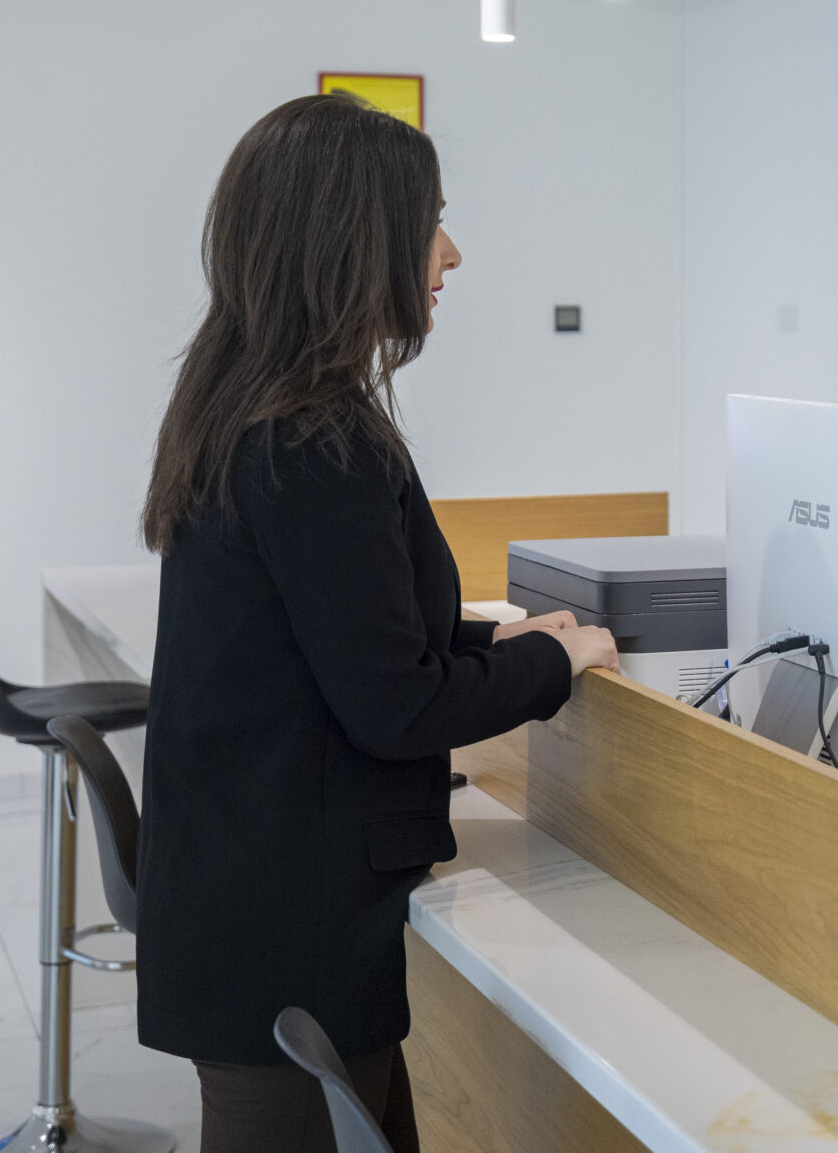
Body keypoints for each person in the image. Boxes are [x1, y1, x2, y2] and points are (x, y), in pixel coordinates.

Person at [135, 94, 619, 1152]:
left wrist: (496, 640)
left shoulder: (256, 412)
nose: (451, 253)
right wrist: (559, 662)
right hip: (281, 925)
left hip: (251, 898)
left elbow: (337, 637)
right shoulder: (316, 444)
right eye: (431, 221)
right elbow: (394, 705)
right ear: (353, 239)